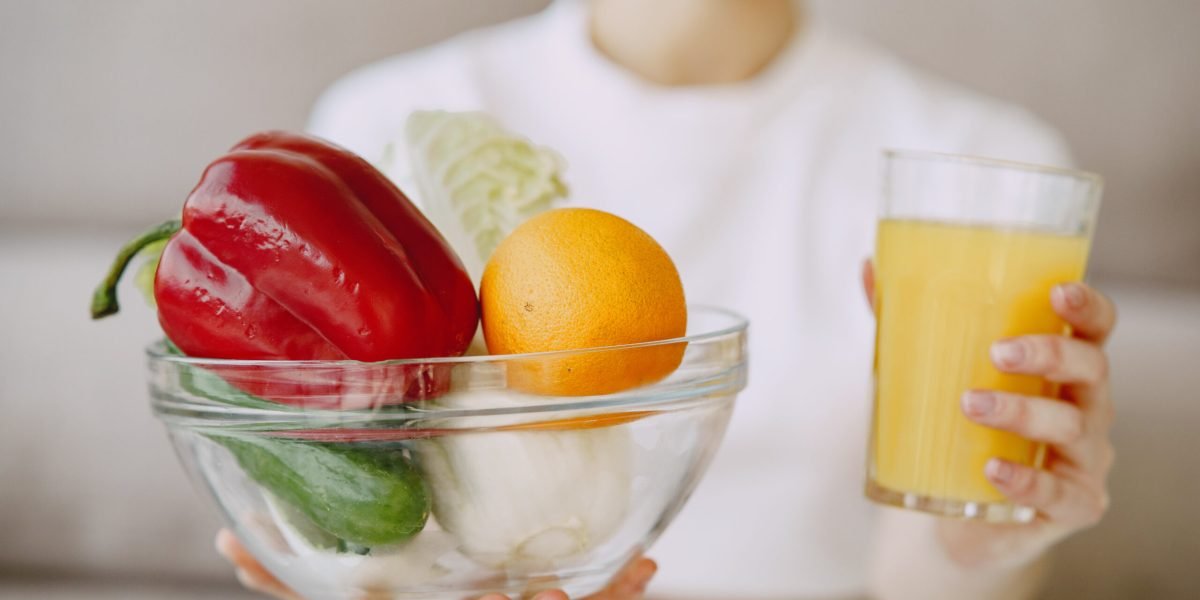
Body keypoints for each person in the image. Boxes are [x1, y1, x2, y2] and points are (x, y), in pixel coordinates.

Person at [219, 1, 1118, 598]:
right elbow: (369, 514)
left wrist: (979, 543)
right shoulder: (397, 121)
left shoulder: (975, 162)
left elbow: (920, 577)